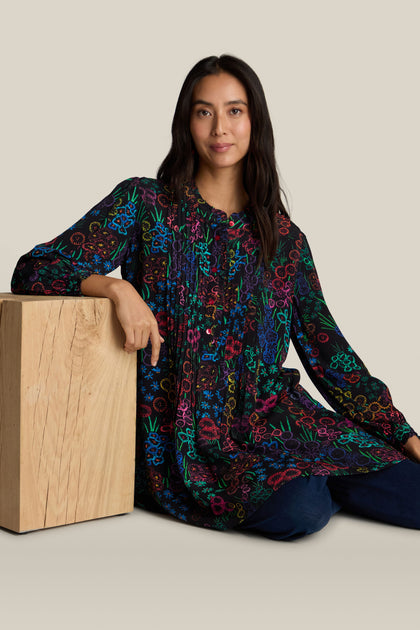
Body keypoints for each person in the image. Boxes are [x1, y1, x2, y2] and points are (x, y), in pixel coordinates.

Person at [11, 54, 420, 541]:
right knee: (302, 510)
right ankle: (314, 482)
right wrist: (114, 286)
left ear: (255, 122)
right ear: (187, 122)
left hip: (280, 421)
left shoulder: (285, 240)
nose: (220, 127)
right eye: (204, 111)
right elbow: (35, 268)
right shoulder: (145, 204)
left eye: (235, 110)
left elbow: (329, 352)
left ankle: (323, 470)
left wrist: (401, 433)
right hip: (186, 442)